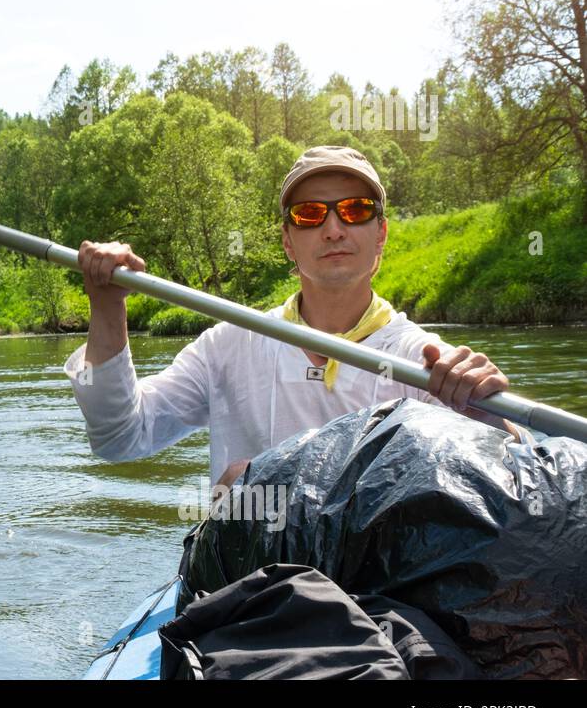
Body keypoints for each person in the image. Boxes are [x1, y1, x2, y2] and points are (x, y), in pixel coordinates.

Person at [64, 145, 529, 487]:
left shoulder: (422, 360)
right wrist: (108, 305)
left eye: (355, 210)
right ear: (288, 240)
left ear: (381, 232)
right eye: (310, 214)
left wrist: (488, 418)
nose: (333, 229)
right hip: (248, 585)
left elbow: (510, 479)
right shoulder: (228, 344)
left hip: (371, 590)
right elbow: (121, 437)